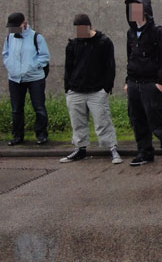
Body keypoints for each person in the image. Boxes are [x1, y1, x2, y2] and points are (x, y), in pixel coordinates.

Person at [60, 14, 122, 164]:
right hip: (75, 91)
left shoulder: (103, 42)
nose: (79, 32)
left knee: (103, 121)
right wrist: (67, 88)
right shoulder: (73, 44)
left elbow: (110, 67)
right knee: (77, 122)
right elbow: (68, 67)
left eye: (81, 29)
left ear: (89, 26)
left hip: (97, 91)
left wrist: (106, 88)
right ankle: (80, 149)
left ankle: (112, 149)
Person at [123, 0, 162, 167]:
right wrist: (128, 81)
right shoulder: (130, 33)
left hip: (151, 85)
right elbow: (129, 57)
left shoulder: (158, 33)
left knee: (159, 120)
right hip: (134, 84)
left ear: (145, 11)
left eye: (137, 9)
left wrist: (160, 83)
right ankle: (145, 153)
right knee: (137, 120)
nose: (134, 13)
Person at [3, 12, 49, 145]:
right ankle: (17, 136)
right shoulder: (9, 38)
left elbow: (44, 56)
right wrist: (10, 66)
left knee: (39, 107)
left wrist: (32, 67)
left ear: (23, 24)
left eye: (15, 26)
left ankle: (41, 135)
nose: (12, 29)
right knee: (16, 108)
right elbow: (5, 54)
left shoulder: (36, 37)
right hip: (15, 79)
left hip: (35, 78)